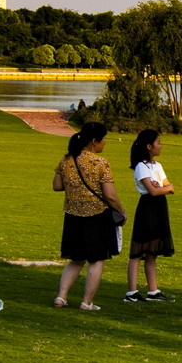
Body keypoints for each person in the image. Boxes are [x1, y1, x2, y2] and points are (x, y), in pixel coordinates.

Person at [52, 121, 124, 311]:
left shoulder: (67, 160)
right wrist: (121, 211)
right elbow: (109, 195)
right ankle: (87, 302)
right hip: (97, 215)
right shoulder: (101, 163)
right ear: (94, 141)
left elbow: (57, 186)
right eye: (103, 139)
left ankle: (61, 296)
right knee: (96, 259)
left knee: (76, 259)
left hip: (73, 214)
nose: (105, 142)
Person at [124, 128, 177, 302]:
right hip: (147, 207)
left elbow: (168, 186)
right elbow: (153, 191)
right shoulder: (141, 166)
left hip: (159, 207)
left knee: (152, 251)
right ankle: (131, 292)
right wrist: (163, 189)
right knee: (139, 250)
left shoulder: (157, 166)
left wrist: (163, 188)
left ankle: (152, 290)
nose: (160, 146)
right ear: (149, 146)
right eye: (158, 142)